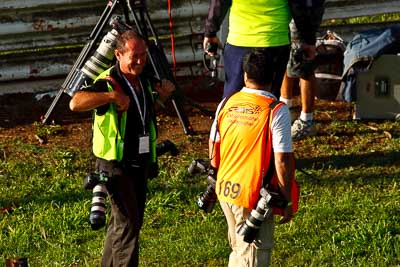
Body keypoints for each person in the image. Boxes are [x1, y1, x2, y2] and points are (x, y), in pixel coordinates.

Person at [69, 30, 174, 267]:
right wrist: (112, 96)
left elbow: (141, 115)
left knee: (122, 225)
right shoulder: (108, 81)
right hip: (116, 165)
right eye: (134, 56)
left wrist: (162, 98)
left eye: (143, 56)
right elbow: (75, 102)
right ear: (118, 54)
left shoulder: (144, 79)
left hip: (140, 162)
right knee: (128, 227)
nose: (140, 61)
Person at [208, 50, 295, 266]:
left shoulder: (227, 102)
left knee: (239, 251)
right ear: (274, 77)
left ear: (246, 76)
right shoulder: (276, 110)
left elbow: (213, 145)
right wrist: (285, 198)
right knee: (252, 257)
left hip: (226, 191)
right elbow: (282, 159)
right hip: (253, 198)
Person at [203, 0, 292, 99]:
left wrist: (210, 32)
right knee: (268, 98)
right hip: (274, 41)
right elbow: (300, 6)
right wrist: (307, 39)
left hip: (239, 41)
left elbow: (219, 2)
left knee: (233, 97)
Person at [279, 1, 326, 140]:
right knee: (285, 55)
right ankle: (286, 109)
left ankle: (307, 121)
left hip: (304, 10)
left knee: (303, 62)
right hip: (290, 9)